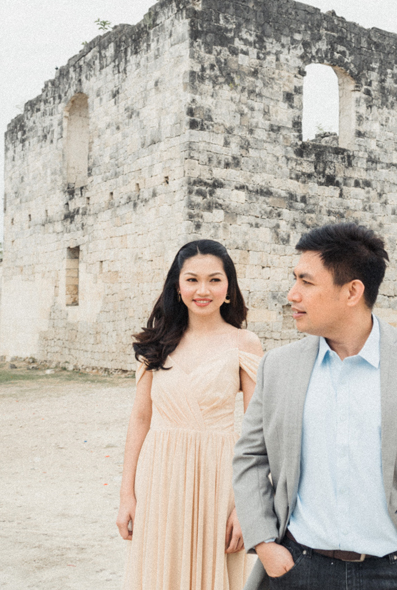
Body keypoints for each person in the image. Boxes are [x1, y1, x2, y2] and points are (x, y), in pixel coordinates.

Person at [233, 223, 397, 590]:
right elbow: (250, 457)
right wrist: (266, 544)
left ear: (352, 291)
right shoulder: (278, 366)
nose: (292, 294)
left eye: (306, 282)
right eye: (294, 280)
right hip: (299, 569)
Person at [117, 239, 263, 590]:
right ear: (177, 286)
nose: (203, 290)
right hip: (160, 479)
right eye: (192, 279)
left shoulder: (244, 343)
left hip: (220, 480)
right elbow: (140, 419)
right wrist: (127, 496)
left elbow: (259, 430)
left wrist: (247, 506)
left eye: (215, 279)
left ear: (229, 286)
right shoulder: (157, 343)